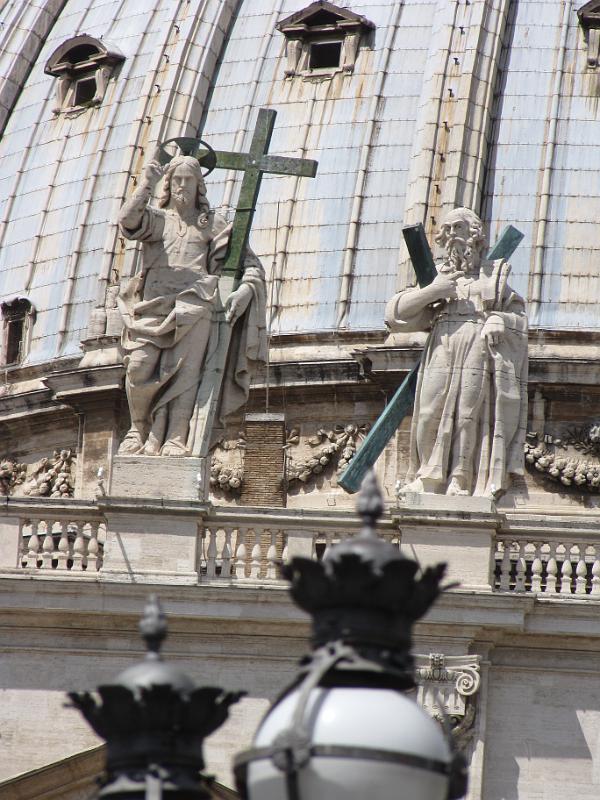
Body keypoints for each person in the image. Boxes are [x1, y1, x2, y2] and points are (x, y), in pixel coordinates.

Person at [116, 154, 267, 457]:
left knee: (186, 375)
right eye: (177, 180)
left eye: (189, 180)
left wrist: (246, 291)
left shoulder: (212, 224)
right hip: (151, 307)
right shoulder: (156, 220)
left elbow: (251, 266)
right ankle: (139, 428)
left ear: (200, 185)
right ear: (168, 185)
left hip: (196, 306)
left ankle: (175, 436)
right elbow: (127, 221)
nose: (182, 186)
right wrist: (145, 183)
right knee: (138, 368)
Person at [385, 207, 528, 497]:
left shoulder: (494, 277)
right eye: (447, 229)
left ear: (475, 235)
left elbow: (520, 321)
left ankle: (460, 478)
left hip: (478, 344)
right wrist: (434, 290)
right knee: (427, 411)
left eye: (458, 228)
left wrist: (500, 319)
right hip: (442, 343)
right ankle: (428, 473)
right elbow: (396, 316)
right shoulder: (437, 278)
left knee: (468, 413)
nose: (452, 235)